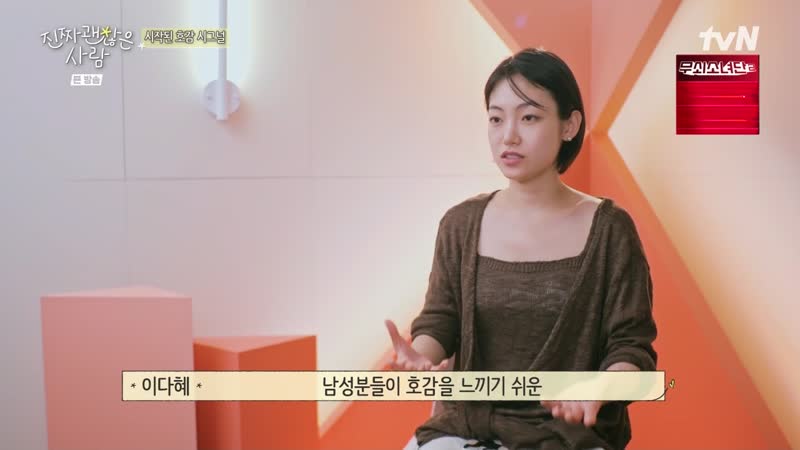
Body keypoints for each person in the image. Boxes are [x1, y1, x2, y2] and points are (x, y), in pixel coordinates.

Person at [385, 48, 658, 450]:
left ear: (569, 125)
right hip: (468, 429)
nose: (508, 135)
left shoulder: (610, 230)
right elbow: (441, 321)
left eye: (529, 117)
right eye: (496, 118)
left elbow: (631, 347)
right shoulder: (460, 224)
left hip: (570, 437)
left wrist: (600, 388)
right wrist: (419, 358)